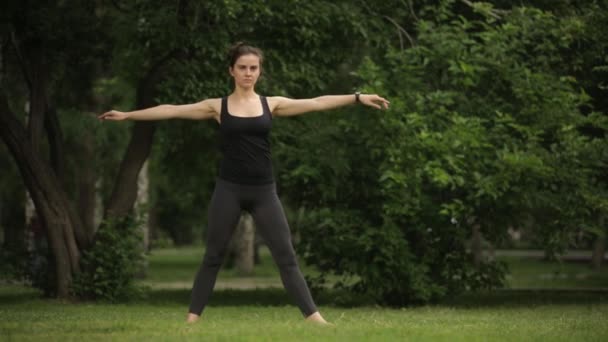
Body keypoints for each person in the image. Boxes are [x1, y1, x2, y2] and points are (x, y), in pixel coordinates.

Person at [98, 42, 390, 324]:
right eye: (242, 67)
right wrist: (128, 115)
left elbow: (315, 102)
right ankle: (191, 319)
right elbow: (171, 109)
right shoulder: (217, 107)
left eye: (254, 68)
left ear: (260, 71)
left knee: (286, 256)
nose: (248, 73)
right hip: (229, 189)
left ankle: (315, 318)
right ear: (231, 71)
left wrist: (357, 97)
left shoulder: (271, 104)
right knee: (213, 256)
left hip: (264, 191)